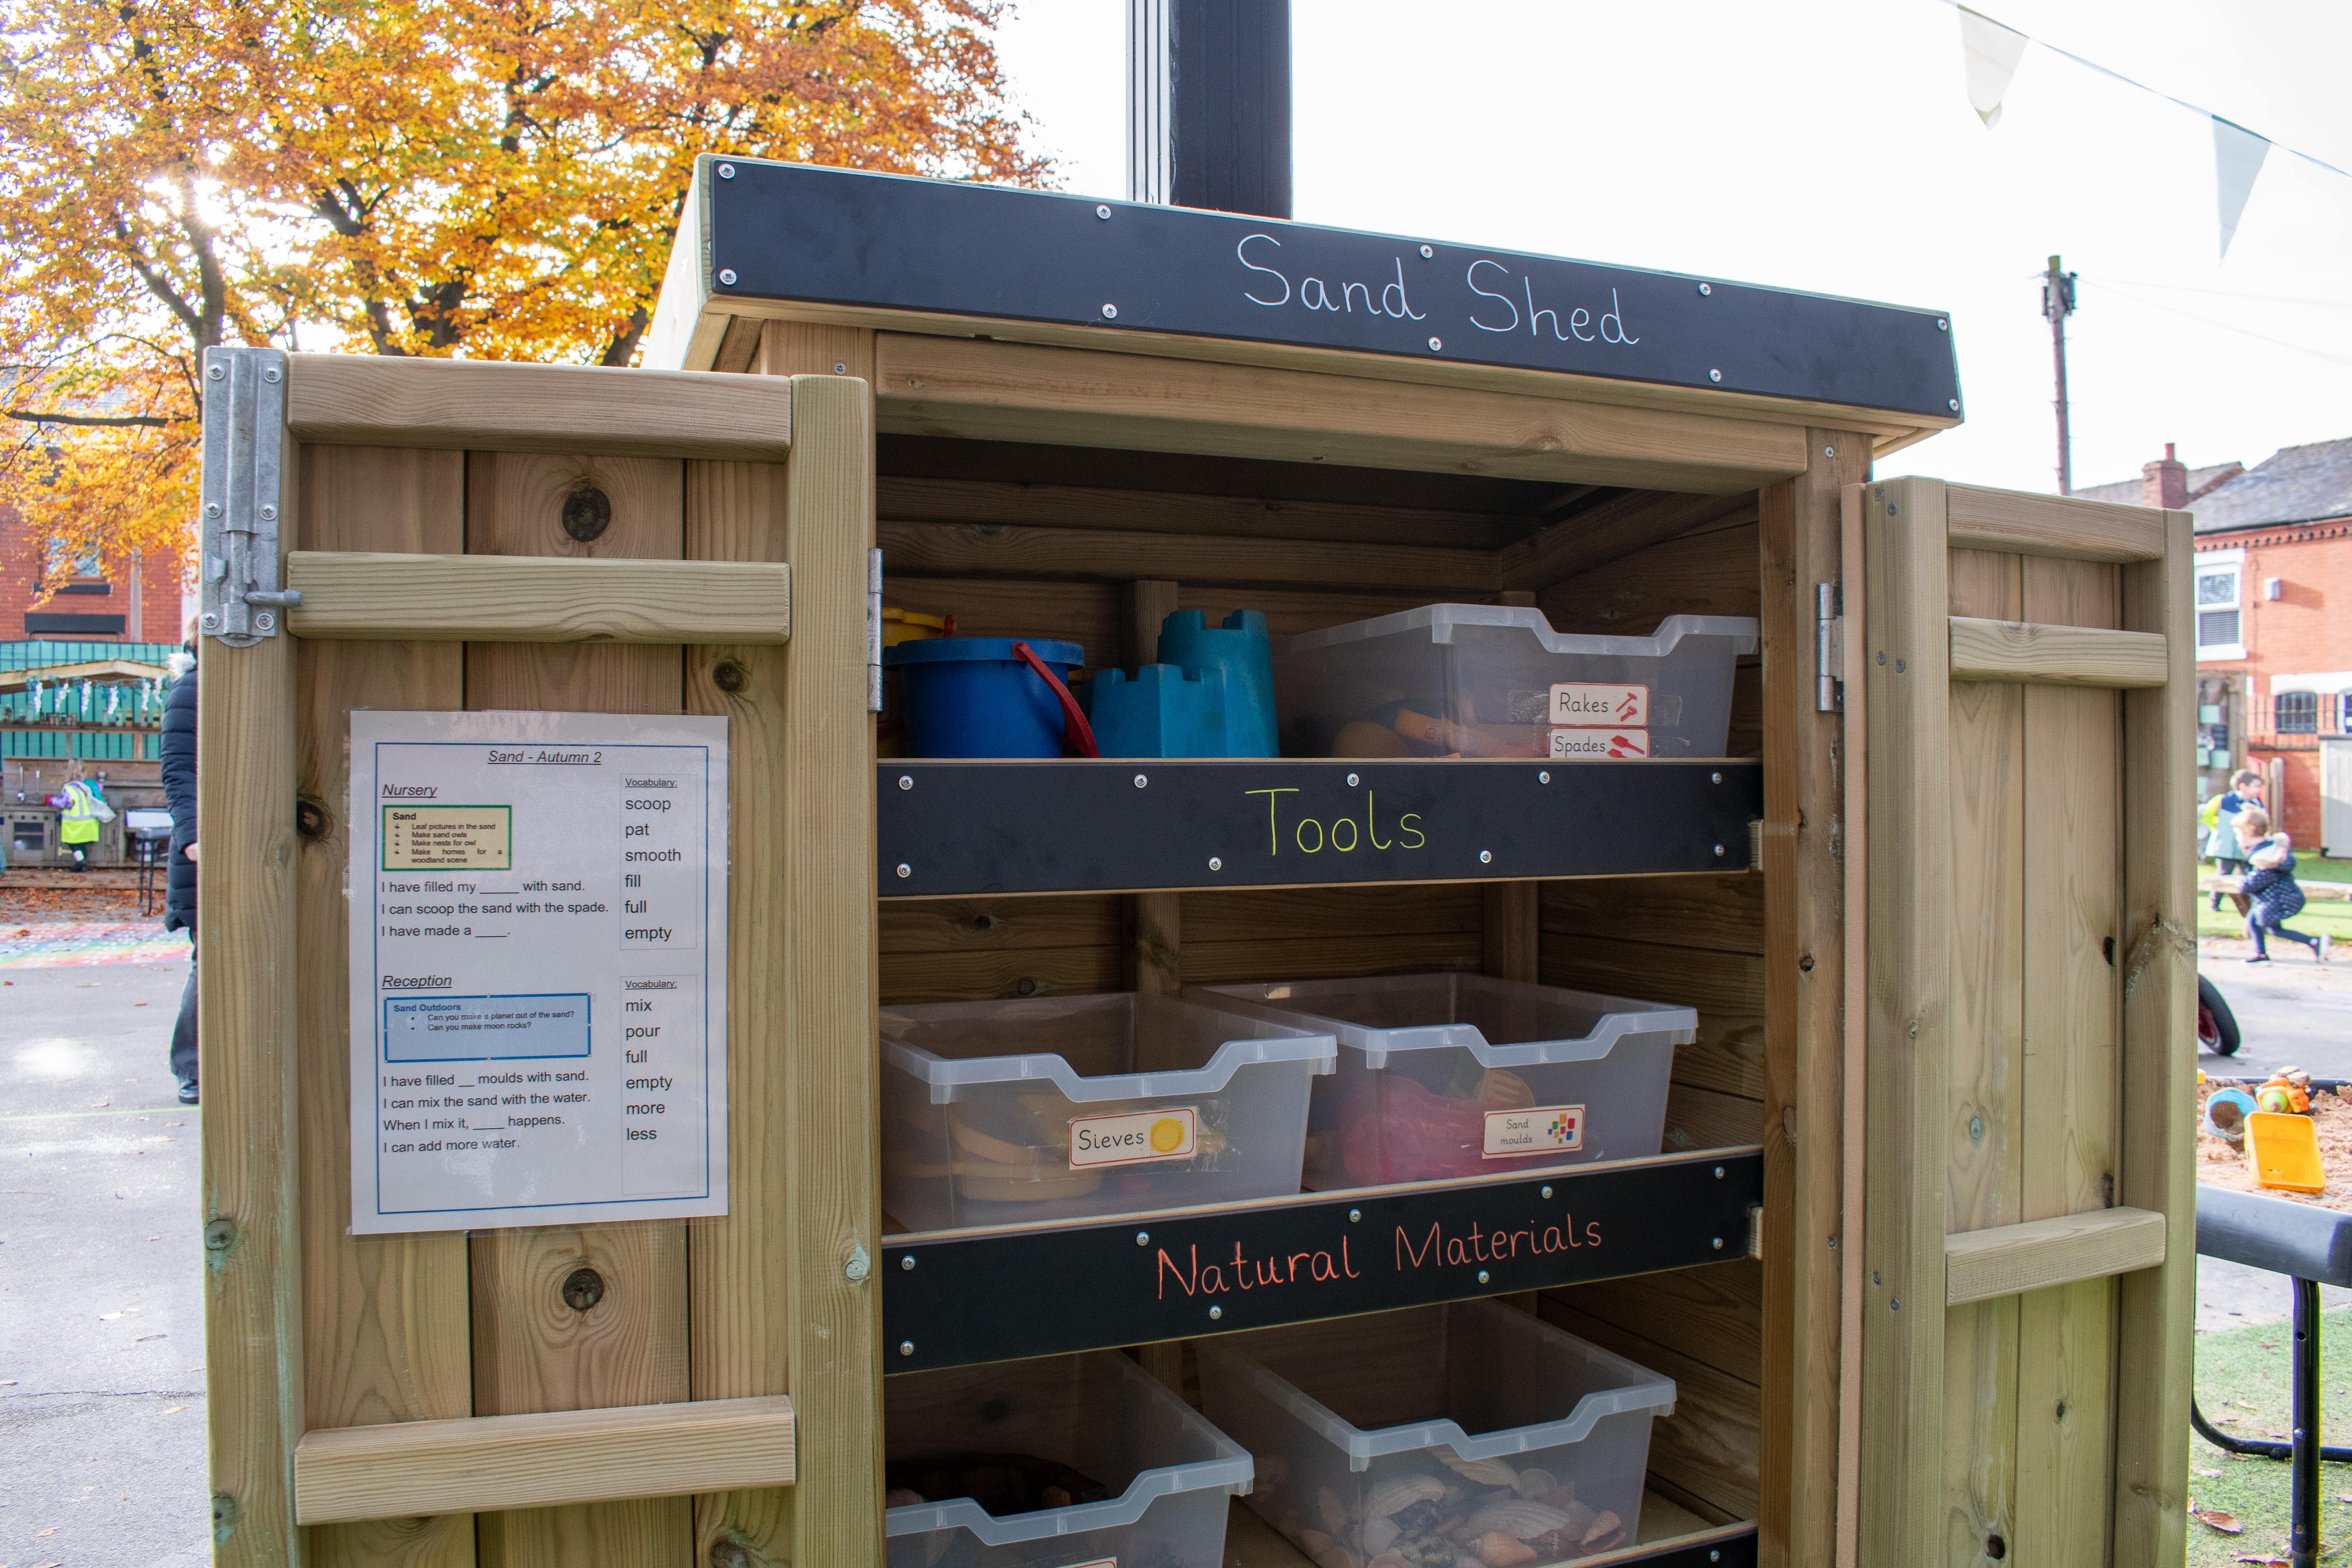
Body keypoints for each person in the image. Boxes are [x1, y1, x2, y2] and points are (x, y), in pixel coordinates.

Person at [162, 633, 199, 1103]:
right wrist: (193, 838)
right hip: (204, 850)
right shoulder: (193, 688)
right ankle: (192, 1066)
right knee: (211, 957)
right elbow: (178, 769)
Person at [2235, 806, 2329, 965]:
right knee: (2255, 922)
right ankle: (2263, 953)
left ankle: (2314, 942)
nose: (2237, 838)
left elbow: (2255, 882)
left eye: (2239, 833)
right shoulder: (2268, 849)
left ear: (2251, 831)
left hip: (2278, 900)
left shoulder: (2265, 857)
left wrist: (2242, 884)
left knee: (2270, 927)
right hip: (2272, 899)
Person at [2203, 768, 2263, 914]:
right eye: (2256, 786)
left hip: (2246, 849)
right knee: (2224, 875)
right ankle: (2214, 904)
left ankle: (2251, 906)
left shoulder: (2257, 804)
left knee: (2249, 876)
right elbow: (2207, 816)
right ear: (2243, 786)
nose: (2258, 790)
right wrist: (2217, 829)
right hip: (2225, 847)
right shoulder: (2223, 800)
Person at [58, 773, 113, 871]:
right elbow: (99, 790)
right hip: (90, 821)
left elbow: (66, 803)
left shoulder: (70, 788)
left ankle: (81, 862)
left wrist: (52, 800)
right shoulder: (90, 786)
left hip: (74, 821)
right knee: (82, 843)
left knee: (72, 843)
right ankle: (82, 866)